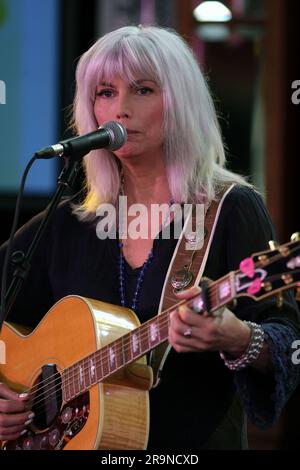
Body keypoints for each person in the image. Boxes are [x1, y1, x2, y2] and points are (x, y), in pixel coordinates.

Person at [0, 25, 299, 450]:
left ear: (180, 104)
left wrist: (239, 337)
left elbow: (290, 342)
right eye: (105, 92)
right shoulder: (67, 223)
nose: (121, 108)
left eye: (142, 90)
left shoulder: (230, 209)